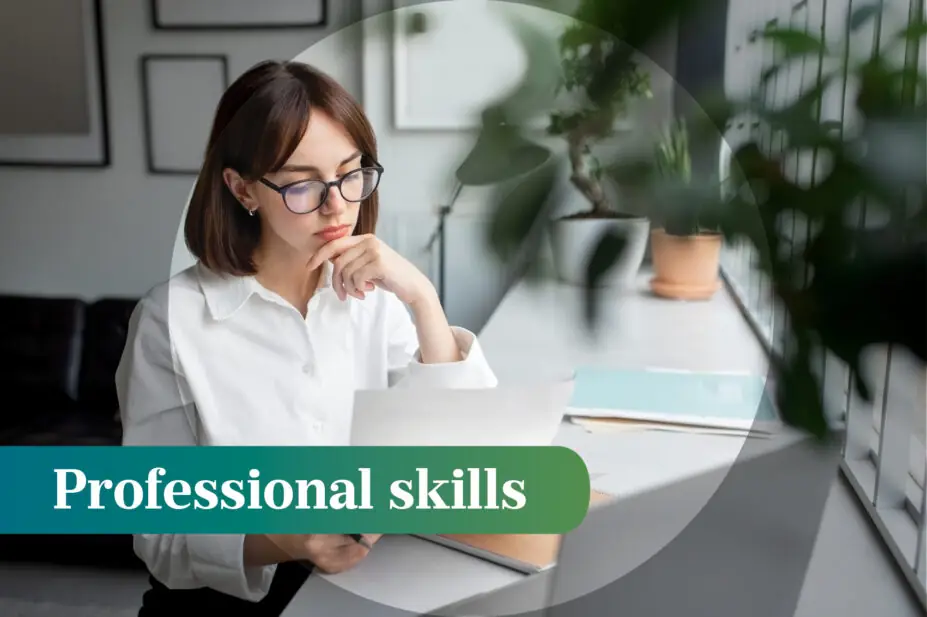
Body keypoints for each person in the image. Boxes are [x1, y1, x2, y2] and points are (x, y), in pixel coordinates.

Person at [115, 59, 498, 615]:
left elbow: (468, 448)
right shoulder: (169, 321)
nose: (339, 204)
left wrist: (422, 298)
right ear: (242, 189)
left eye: (350, 173)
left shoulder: (378, 297)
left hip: (371, 589)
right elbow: (159, 536)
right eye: (302, 186)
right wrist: (284, 540)